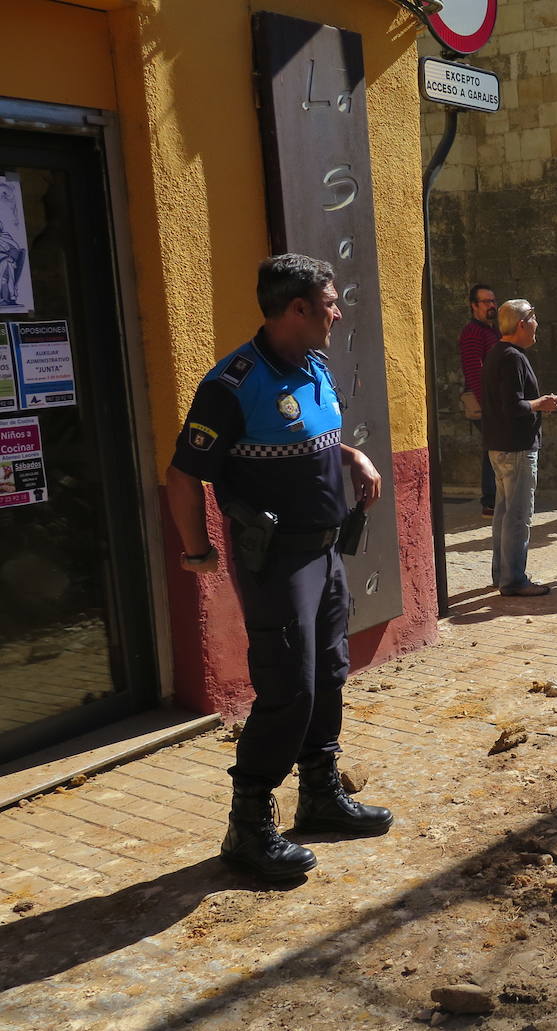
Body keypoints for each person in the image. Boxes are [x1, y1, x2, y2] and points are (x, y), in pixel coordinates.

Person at [166, 254, 393, 882]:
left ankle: (320, 794)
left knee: (329, 672)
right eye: (329, 301)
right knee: (288, 685)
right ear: (297, 310)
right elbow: (182, 476)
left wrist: (353, 456)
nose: (337, 312)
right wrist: (197, 550)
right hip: (277, 560)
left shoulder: (313, 365)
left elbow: (310, 440)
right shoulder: (232, 385)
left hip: (325, 551)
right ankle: (248, 826)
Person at [483, 299, 557, 596]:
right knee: (517, 516)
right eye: (535, 319)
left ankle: (501, 574)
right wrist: (543, 403)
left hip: (499, 447)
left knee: (503, 513)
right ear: (522, 324)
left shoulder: (497, 353)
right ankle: (514, 580)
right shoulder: (513, 357)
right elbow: (513, 406)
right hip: (516, 448)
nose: (538, 325)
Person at [459, 284, 501, 516]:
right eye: (486, 302)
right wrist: (488, 405)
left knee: (494, 447)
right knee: (493, 448)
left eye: (493, 301)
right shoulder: (473, 332)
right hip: (485, 403)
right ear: (474, 306)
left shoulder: (492, 331)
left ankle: (494, 499)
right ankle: (491, 500)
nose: (491, 305)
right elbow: (474, 371)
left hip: (495, 402)